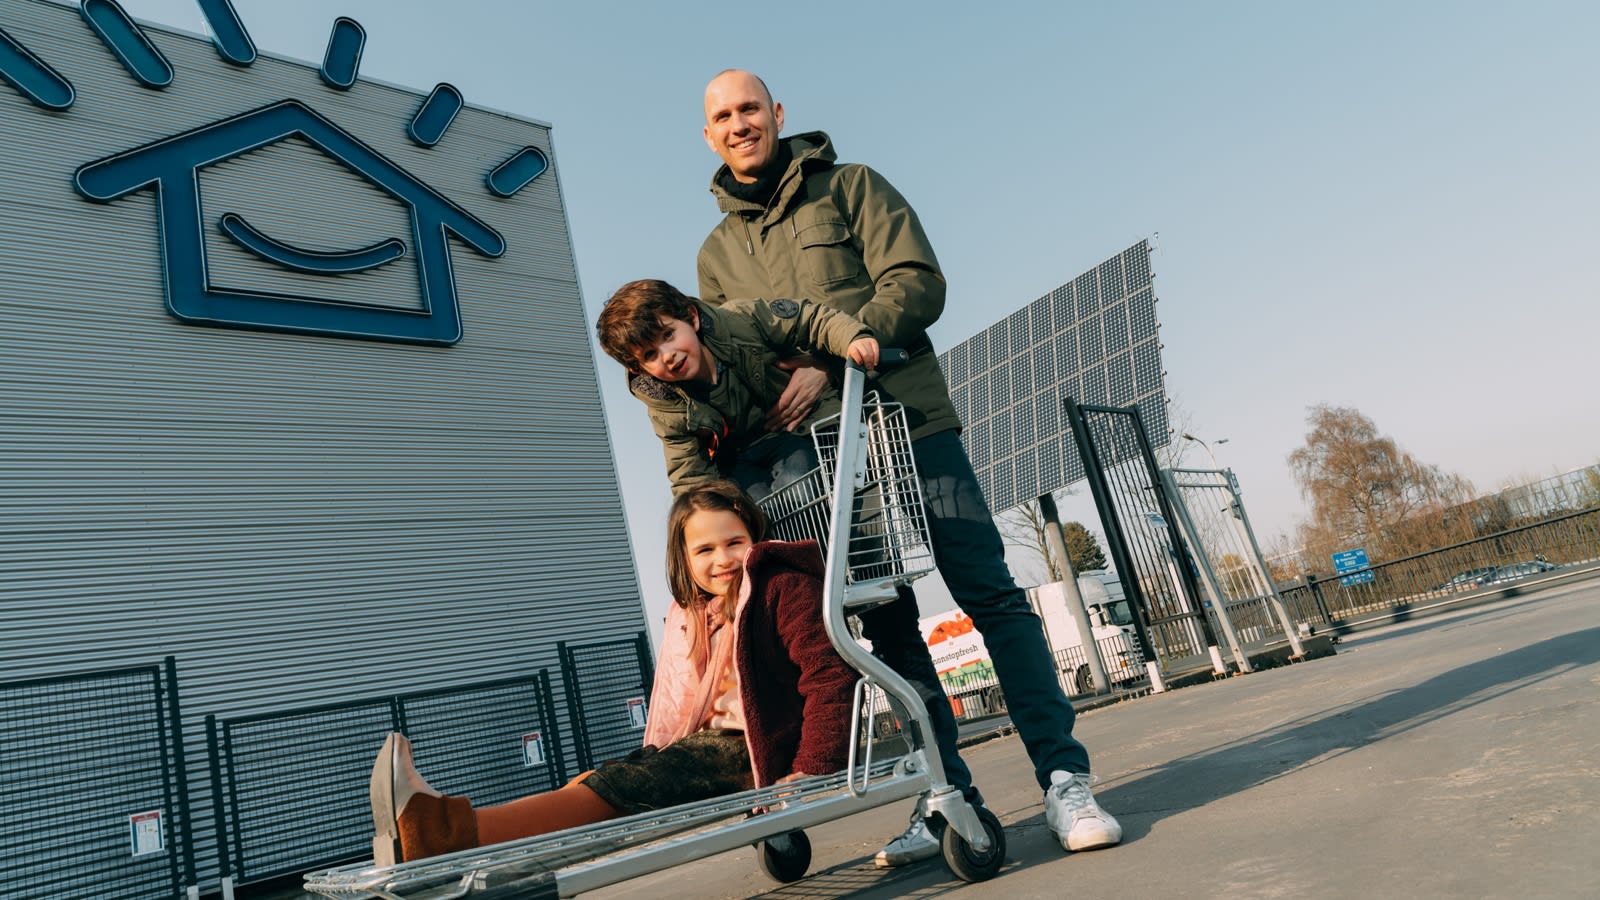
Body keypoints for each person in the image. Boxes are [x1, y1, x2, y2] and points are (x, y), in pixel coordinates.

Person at [695, 69, 1122, 865]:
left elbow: (916, 284)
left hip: (907, 420)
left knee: (988, 592)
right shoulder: (716, 256)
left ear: (777, 113)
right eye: (723, 116)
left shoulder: (852, 186)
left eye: (749, 108)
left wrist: (836, 354)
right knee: (887, 624)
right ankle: (945, 796)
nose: (739, 124)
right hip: (822, 458)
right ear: (709, 134)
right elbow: (738, 357)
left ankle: (1066, 779)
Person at [369, 481, 858, 864]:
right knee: (607, 777)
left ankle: (445, 830)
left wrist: (812, 768)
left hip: (755, 750)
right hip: (710, 745)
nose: (722, 559)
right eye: (704, 550)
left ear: (755, 541)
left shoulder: (781, 588)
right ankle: (453, 831)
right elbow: (676, 701)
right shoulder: (695, 614)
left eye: (735, 542)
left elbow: (828, 676)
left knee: (622, 787)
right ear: (684, 560)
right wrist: (657, 751)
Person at [595, 277, 877, 496]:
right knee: (753, 511)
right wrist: (697, 517)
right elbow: (688, 471)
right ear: (638, 368)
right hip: (739, 460)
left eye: (668, 335)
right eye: (650, 355)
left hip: (796, 433)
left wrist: (853, 338)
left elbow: (808, 319)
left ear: (692, 318)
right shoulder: (668, 407)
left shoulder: (739, 323)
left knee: (799, 484)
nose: (667, 355)